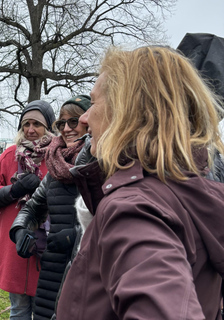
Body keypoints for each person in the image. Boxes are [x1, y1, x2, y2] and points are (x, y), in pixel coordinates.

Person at [55, 46, 224, 320]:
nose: (85, 119)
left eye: (94, 103)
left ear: (127, 112)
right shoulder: (190, 192)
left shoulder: (133, 208)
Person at [9, 95, 90, 320]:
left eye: (73, 122)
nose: (66, 128)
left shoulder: (99, 163)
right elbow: (32, 208)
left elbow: (111, 219)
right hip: (52, 268)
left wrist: (75, 235)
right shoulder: (55, 166)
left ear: (88, 120)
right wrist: (20, 230)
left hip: (85, 268)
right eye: (61, 123)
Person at [0, 100, 56, 319]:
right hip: (15, 244)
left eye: (37, 124)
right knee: (19, 308)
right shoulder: (10, 155)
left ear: (48, 127)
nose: (30, 130)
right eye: (26, 124)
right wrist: (14, 190)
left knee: (46, 310)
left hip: (47, 244)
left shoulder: (57, 156)